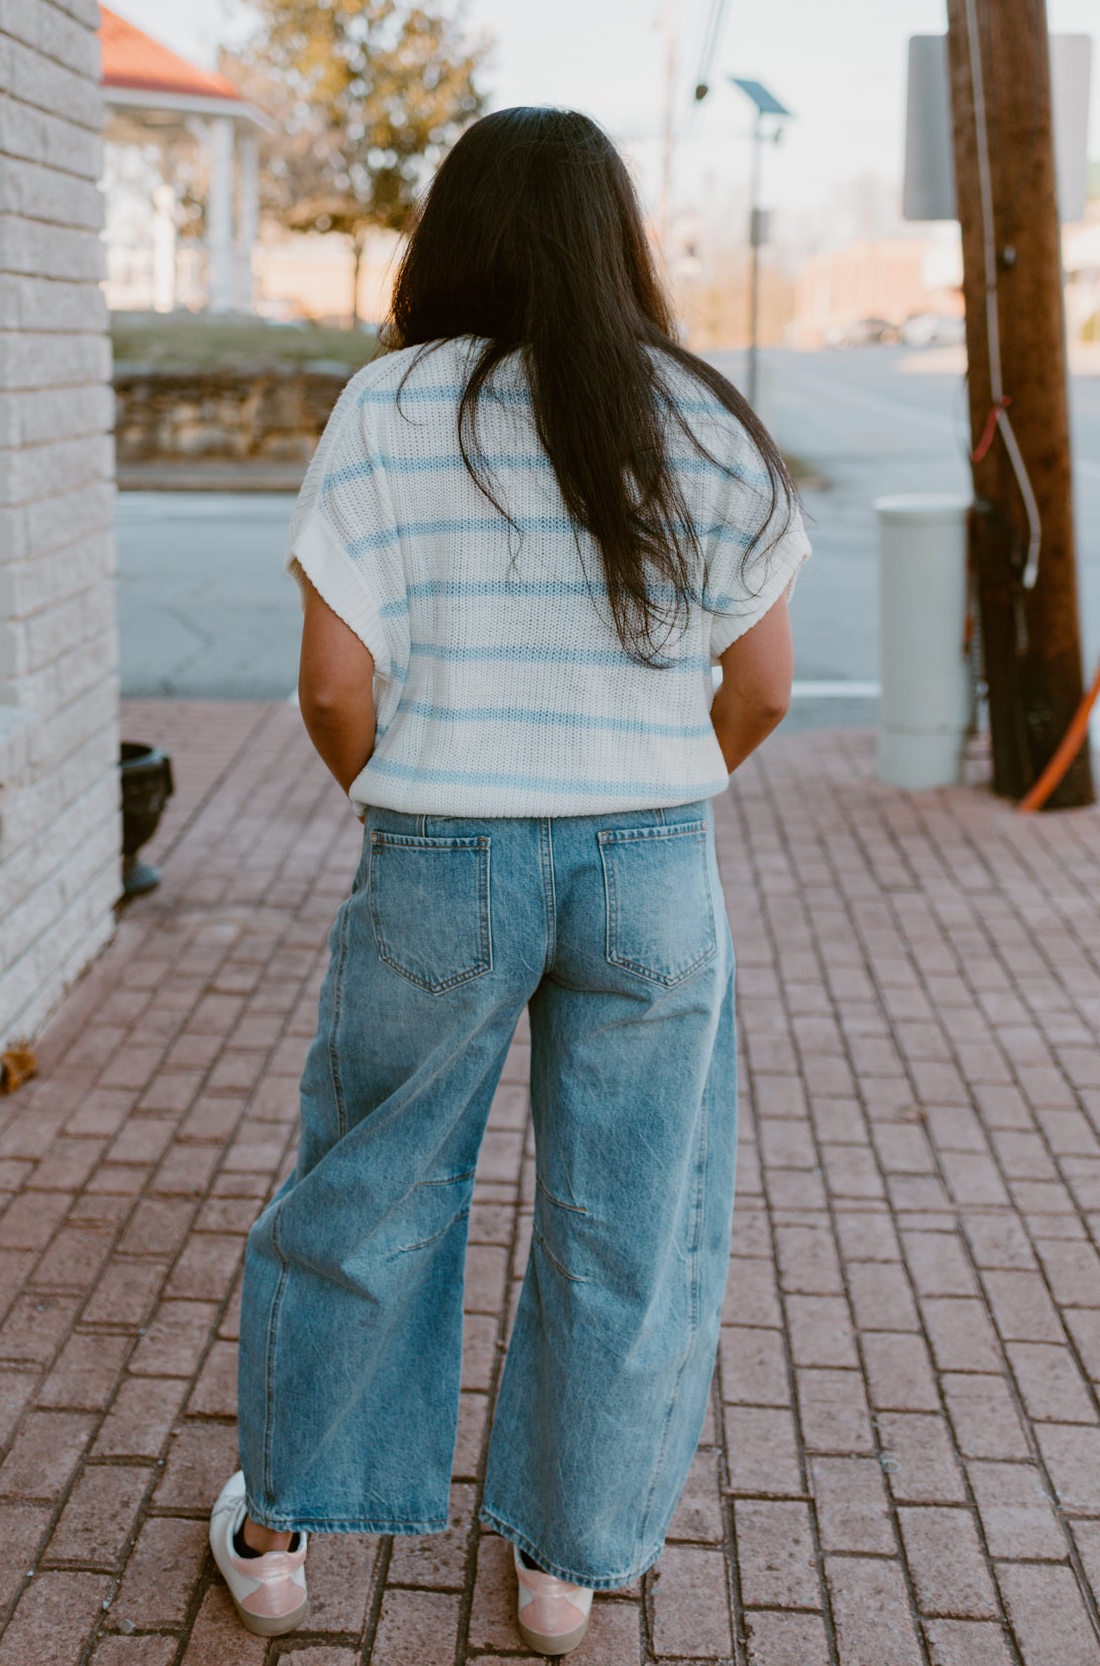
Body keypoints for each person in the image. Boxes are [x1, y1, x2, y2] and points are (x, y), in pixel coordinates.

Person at [208, 106, 810, 1651]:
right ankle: (563, 1567)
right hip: (652, 869)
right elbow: (763, 691)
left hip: (442, 857)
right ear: (618, 241)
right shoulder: (706, 418)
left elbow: (336, 690)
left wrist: (414, 810)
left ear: (451, 237)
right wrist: (646, 805)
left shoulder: (389, 409)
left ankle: (277, 1546)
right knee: (631, 1220)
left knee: (368, 1191)